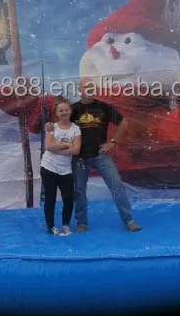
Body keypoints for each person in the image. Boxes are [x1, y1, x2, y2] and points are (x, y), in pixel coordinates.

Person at [70, 77, 141, 232]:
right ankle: (81, 222)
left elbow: (123, 122)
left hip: (100, 156)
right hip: (79, 158)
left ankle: (129, 220)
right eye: (86, 86)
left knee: (117, 186)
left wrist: (113, 141)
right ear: (79, 89)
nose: (89, 89)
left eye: (91, 87)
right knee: (79, 191)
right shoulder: (72, 109)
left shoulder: (103, 107)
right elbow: (61, 127)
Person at [40, 99, 81, 236]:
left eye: (66, 110)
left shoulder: (75, 129)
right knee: (50, 198)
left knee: (68, 199)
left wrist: (58, 148)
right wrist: (67, 145)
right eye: (61, 111)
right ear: (57, 113)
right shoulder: (52, 127)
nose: (64, 112)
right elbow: (48, 146)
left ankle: (66, 225)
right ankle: (51, 226)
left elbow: (76, 150)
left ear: (70, 111)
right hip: (49, 168)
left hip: (65, 170)